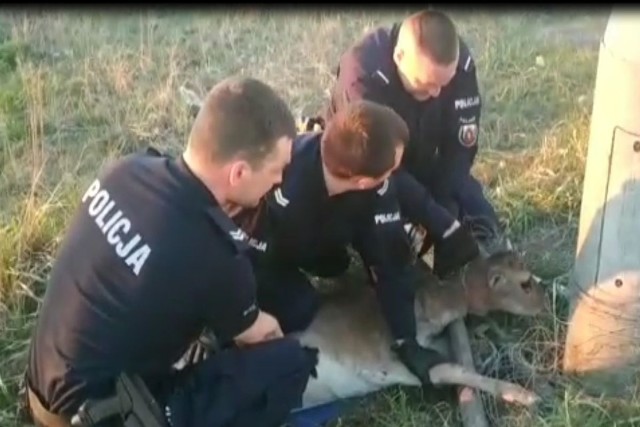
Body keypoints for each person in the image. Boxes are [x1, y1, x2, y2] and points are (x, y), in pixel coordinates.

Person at [22, 76, 319, 427]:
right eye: (276, 170)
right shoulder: (217, 252)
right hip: (107, 417)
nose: (278, 182)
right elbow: (259, 334)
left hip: (40, 391)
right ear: (239, 172)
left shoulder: (127, 170)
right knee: (286, 363)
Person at [234, 99, 451, 398]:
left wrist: (406, 340)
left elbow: (391, 259)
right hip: (271, 252)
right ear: (363, 181)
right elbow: (243, 257)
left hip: (321, 238)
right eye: (390, 172)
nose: (392, 178)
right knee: (299, 309)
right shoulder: (277, 184)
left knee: (341, 265)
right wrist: (242, 318)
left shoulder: (374, 189)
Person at [323, 8, 506, 271]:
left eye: (444, 83)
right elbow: (376, 168)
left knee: (483, 226)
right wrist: (435, 219)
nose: (436, 93)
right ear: (399, 57)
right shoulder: (364, 76)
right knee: (412, 253)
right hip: (371, 177)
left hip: (425, 159)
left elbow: (460, 147)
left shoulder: (457, 64)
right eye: (426, 83)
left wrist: (445, 206)